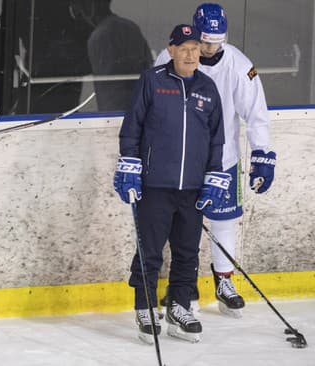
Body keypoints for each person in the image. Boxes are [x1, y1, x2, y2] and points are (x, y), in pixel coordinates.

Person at [154, 3, 276, 318]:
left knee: (224, 220)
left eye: (215, 42)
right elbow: (154, 103)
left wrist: (262, 154)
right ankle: (184, 286)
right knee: (180, 225)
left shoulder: (239, 65)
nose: (209, 48)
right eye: (205, 41)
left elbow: (256, 113)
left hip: (223, 159)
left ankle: (224, 281)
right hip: (181, 160)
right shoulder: (169, 58)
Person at [114, 24, 228, 344]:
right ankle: (146, 307)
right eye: (184, 48)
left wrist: (214, 176)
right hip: (155, 186)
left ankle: (179, 307)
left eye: (195, 48)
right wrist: (130, 164)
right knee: (150, 251)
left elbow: (216, 138)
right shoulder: (152, 81)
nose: (191, 54)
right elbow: (132, 126)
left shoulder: (207, 87)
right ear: (172, 50)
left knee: (187, 253)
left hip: (192, 188)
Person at [70, 0, 152, 111]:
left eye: (81, 6)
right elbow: (148, 64)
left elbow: (107, 87)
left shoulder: (99, 36)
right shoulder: (131, 27)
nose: (80, 13)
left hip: (115, 115)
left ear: (91, 5)